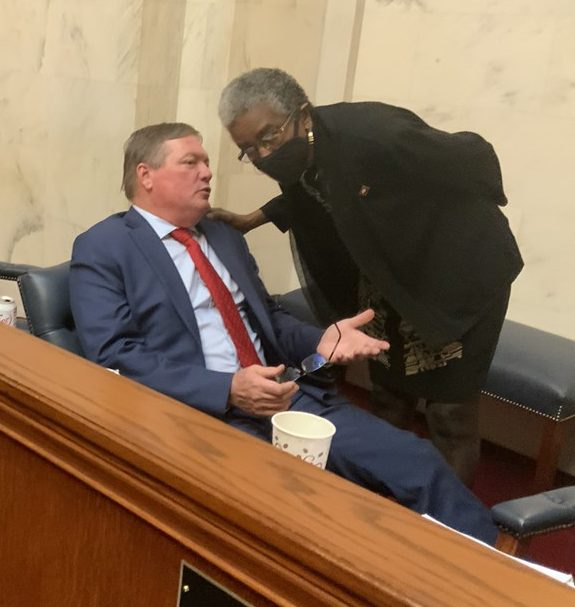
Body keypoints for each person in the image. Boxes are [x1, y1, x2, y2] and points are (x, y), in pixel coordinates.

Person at [69, 122, 499, 544]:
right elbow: (114, 353)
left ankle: (500, 573)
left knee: (417, 461)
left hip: (287, 396)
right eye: (191, 162)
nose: (208, 172)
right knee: (305, 509)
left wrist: (320, 340)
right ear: (145, 175)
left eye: (207, 162)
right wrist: (227, 389)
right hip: (199, 416)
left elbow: (270, 318)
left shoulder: (222, 236)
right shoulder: (104, 246)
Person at [214, 68, 524, 487]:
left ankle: (445, 520)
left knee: (449, 414)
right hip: (392, 280)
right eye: (249, 150)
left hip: (459, 275)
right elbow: (316, 190)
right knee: (388, 397)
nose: (264, 154)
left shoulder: (375, 133)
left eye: (269, 137)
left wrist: (456, 222)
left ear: (302, 114)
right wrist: (253, 219)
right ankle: (374, 505)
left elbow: (474, 158)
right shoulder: (304, 149)